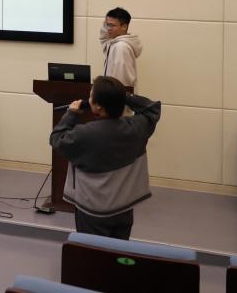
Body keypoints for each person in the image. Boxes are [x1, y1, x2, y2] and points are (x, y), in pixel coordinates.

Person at [50, 76, 161, 240]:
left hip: (93, 212)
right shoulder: (136, 128)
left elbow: (56, 138)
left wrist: (71, 114)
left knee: (94, 252)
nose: (88, 99)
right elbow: (152, 109)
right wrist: (122, 97)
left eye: (90, 96)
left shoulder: (84, 134)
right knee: (117, 251)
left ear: (98, 106)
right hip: (124, 208)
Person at [100, 7, 141, 88]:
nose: (108, 28)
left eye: (112, 25)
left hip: (117, 95)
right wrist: (106, 23)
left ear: (124, 26)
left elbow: (121, 82)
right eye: (107, 25)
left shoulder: (121, 47)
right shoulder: (114, 43)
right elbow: (104, 38)